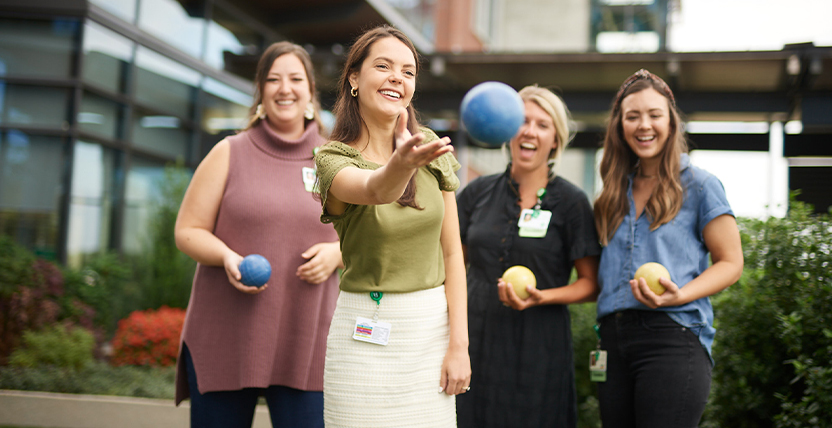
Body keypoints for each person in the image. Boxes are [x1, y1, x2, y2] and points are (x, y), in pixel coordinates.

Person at [173, 42, 343, 428]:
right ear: (261, 93)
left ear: (311, 92)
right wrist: (227, 258)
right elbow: (188, 231)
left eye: (296, 79)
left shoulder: (334, 158)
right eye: (273, 79)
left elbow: (367, 235)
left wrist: (338, 255)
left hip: (306, 340)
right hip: (227, 337)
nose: (285, 88)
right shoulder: (229, 152)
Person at [314, 25, 471, 427]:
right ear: (354, 78)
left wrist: (459, 345)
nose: (396, 78)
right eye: (383, 66)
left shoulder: (430, 148)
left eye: (407, 71)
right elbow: (374, 189)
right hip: (360, 336)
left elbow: (452, 252)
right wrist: (400, 165)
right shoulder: (333, 157)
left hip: (429, 333)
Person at [593, 69, 744, 427]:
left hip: (672, 336)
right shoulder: (612, 194)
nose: (644, 125)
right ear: (620, 126)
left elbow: (731, 262)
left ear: (671, 122)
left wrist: (679, 295)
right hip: (611, 343)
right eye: (633, 116)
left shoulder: (701, 185)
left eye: (654, 114)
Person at [455, 85, 601, 428]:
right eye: (522, 120)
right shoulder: (475, 192)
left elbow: (591, 284)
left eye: (542, 124)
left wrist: (542, 298)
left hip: (539, 346)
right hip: (474, 337)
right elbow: (449, 265)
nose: (529, 131)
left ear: (555, 141)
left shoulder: (572, 202)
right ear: (507, 129)